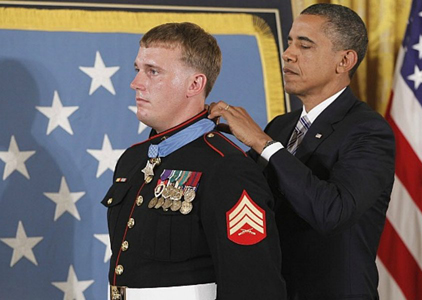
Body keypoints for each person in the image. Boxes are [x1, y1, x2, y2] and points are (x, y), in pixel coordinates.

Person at [209, 4, 395, 300]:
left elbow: (332, 213)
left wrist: (263, 143)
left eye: (304, 45)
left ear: (344, 60)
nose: (288, 54)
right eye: (289, 42)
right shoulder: (282, 126)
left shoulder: (369, 131)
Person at [101, 22, 287, 300]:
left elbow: (254, 286)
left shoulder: (227, 167)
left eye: (153, 72)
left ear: (195, 84)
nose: (136, 83)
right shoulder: (133, 159)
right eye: (138, 69)